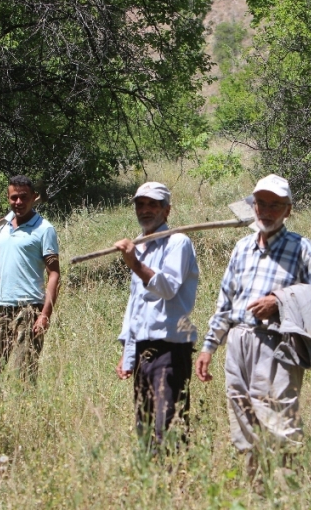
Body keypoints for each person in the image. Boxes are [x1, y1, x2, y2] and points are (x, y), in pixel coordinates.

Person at [195, 174, 311, 474]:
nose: (266, 211)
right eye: (261, 204)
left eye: (275, 205)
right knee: (241, 415)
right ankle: (256, 489)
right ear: (252, 206)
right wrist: (209, 347)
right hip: (238, 341)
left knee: (279, 418)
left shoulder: (301, 247)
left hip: (277, 343)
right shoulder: (242, 248)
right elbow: (225, 303)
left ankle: (288, 489)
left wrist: (279, 301)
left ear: (288, 210)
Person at [114, 182, 199, 448]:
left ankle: (177, 484)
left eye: (153, 204)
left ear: (167, 210)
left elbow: (168, 288)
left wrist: (135, 265)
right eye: (140, 204)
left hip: (170, 349)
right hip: (143, 348)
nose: (145, 210)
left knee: (168, 424)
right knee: (145, 424)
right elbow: (136, 305)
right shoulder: (140, 246)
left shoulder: (178, 243)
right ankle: (153, 483)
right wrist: (129, 353)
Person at [0, 175, 60, 383]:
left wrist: (45, 315)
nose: (18, 202)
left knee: (24, 377)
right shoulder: (2, 230)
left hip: (29, 310)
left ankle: (26, 414)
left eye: (24, 197)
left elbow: (54, 273)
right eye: (14, 197)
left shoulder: (44, 229)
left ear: (34, 197)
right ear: (8, 198)